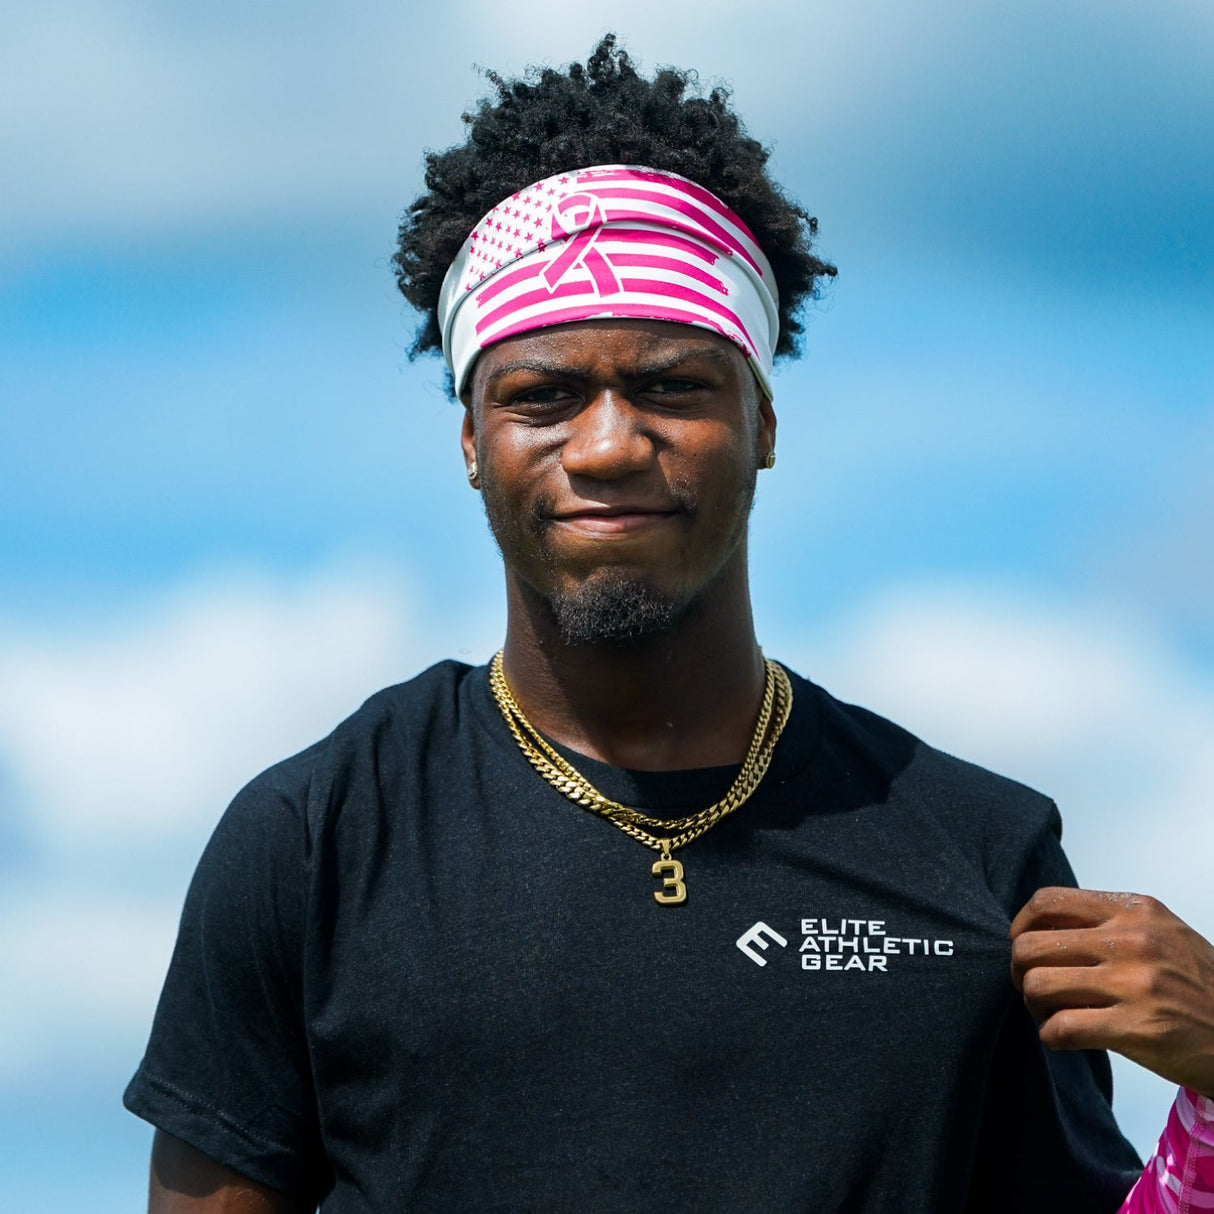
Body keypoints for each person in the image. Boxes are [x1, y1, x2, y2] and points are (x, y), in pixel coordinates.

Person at [125, 36, 1214, 1213]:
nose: (603, 445)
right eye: (540, 395)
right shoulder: (315, 839)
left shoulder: (978, 852)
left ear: (762, 423)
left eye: (670, 385)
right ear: (470, 443)